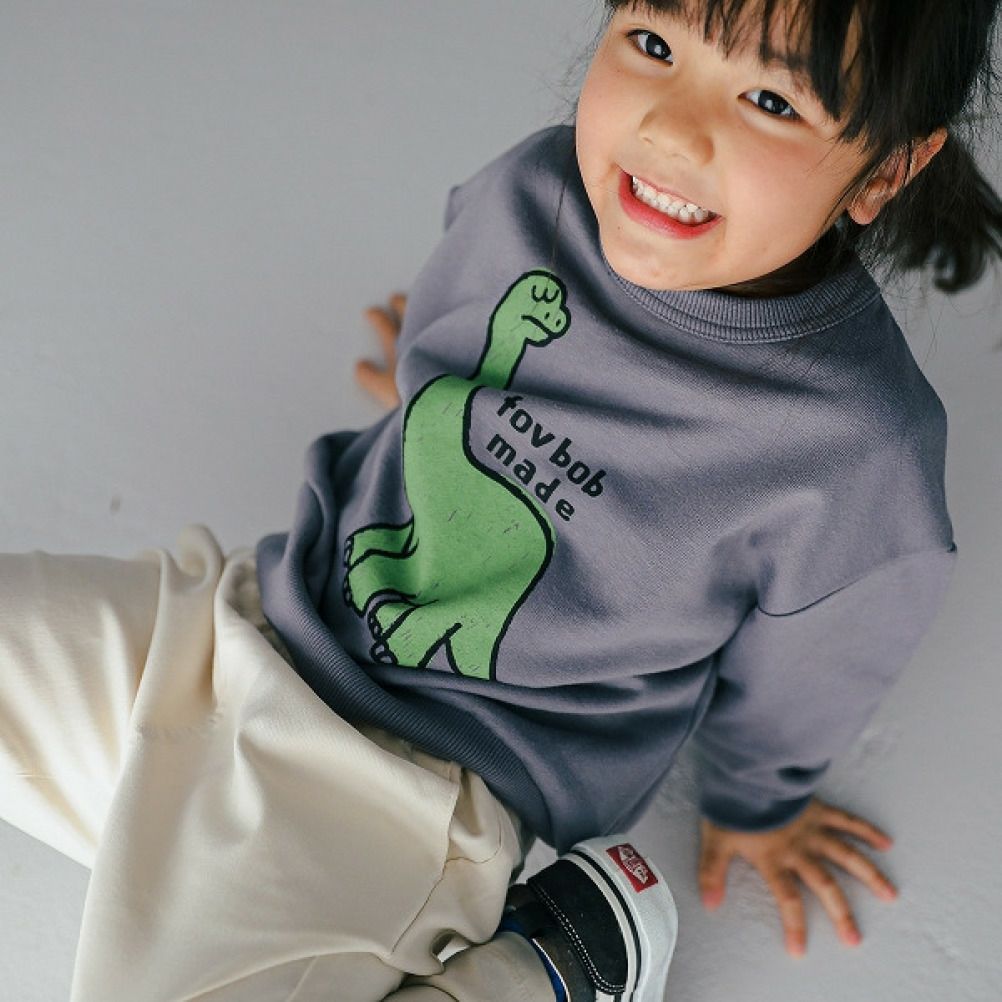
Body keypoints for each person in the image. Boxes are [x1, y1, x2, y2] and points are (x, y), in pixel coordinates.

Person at [2, 1, 1000, 1000]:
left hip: (412, 787)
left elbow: (817, 664)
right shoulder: (537, 192)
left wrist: (757, 803)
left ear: (883, 171)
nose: (669, 128)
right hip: (236, 624)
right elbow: (461, 312)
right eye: (654, 44)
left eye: (772, 101)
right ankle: (183, 859)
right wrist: (434, 381)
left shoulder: (853, 446)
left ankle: (547, 967)